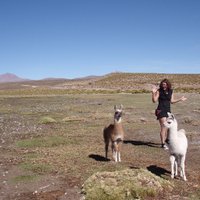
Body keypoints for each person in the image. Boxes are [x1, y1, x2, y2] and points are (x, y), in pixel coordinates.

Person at [152, 79, 187, 150]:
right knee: (164, 127)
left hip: (168, 111)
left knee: (169, 127)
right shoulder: (159, 91)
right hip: (160, 110)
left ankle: (167, 141)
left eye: (164, 84)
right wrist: (153, 93)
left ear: (167, 84)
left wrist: (180, 99)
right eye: (162, 84)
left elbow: (172, 101)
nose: (163, 85)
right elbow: (154, 101)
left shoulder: (171, 91)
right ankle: (163, 144)